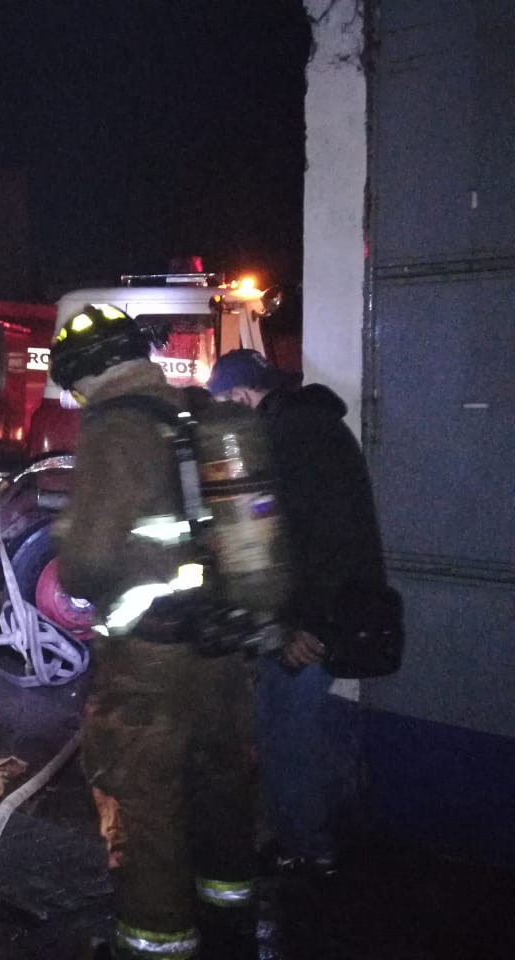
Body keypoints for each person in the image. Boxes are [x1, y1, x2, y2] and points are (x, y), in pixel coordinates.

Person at [49, 305, 259, 960]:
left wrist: (70, 549)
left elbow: (87, 562)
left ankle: (155, 944)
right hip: (222, 650)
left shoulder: (114, 427)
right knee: (221, 786)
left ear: (88, 373)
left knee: (147, 809)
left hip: (150, 665)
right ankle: (230, 918)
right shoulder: (196, 410)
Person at [207, 348, 384, 876]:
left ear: (240, 395)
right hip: (328, 611)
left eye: (227, 403)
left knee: (288, 733)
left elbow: (314, 542)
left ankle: (304, 848)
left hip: (312, 620)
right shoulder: (314, 426)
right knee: (297, 729)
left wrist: (297, 625)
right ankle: (304, 837)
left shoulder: (293, 436)